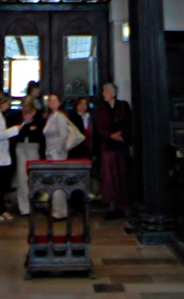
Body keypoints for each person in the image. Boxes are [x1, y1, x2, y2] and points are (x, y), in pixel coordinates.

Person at [0, 92, 28, 222]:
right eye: (7, 103)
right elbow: (0, 135)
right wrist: (16, 129)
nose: (8, 106)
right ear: (2, 102)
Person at [40, 92, 86, 219]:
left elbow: (63, 135)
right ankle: (56, 209)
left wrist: (58, 150)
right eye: (50, 100)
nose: (52, 103)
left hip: (57, 154)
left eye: (55, 100)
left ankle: (60, 211)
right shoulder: (51, 117)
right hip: (50, 153)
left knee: (58, 183)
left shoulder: (59, 117)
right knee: (54, 183)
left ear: (60, 103)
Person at [95, 81, 134, 216]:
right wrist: (110, 135)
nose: (103, 94)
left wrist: (121, 134)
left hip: (121, 144)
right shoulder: (101, 108)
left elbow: (128, 122)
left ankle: (124, 205)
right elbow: (99, 127)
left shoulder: (123, 106)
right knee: (110, 177)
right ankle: (112, 206)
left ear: (113, 93)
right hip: (108, 146)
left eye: (106, 91)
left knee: (123, 174)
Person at [13, 81, 46, 217]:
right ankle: (24, 207)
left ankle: (34, 201)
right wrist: (28, 129)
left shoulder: (38, 115)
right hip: (21, 148)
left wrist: (27, 130)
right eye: (23, 107)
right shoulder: (18, 116)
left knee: (33, 176)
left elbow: (39, 132)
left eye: (27, 107)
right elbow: (18, 132)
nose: (25, 109)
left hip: (33, 148)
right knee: (21, 177)